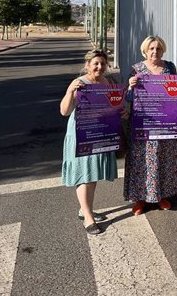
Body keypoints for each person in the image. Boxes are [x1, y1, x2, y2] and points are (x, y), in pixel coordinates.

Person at [60, 49, 118, 236]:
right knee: (84, 176)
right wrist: (70, 91)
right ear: (87, 65)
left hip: (99, 133)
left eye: (102, 63)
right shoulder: (79, 84)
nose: (99, 67)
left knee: (91, 175)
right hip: (81, 135)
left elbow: (111, 106)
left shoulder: (106, 82)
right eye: (96, 64)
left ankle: (85, 210)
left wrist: (120, 112)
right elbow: (64, 111)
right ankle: (88, 218)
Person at [125, 36, 177, 216]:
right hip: (142, 122)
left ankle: (161, 196)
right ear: (145, 50)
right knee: (141, 160)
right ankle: (140, 198)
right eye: (151, 48)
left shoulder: (170, 67)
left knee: (163, 158)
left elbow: (176, 92)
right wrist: (130, 87)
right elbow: (128, 99)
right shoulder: (136, 69)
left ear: (162, 50)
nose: (155, 52)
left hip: (164, 122)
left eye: (158, 48)